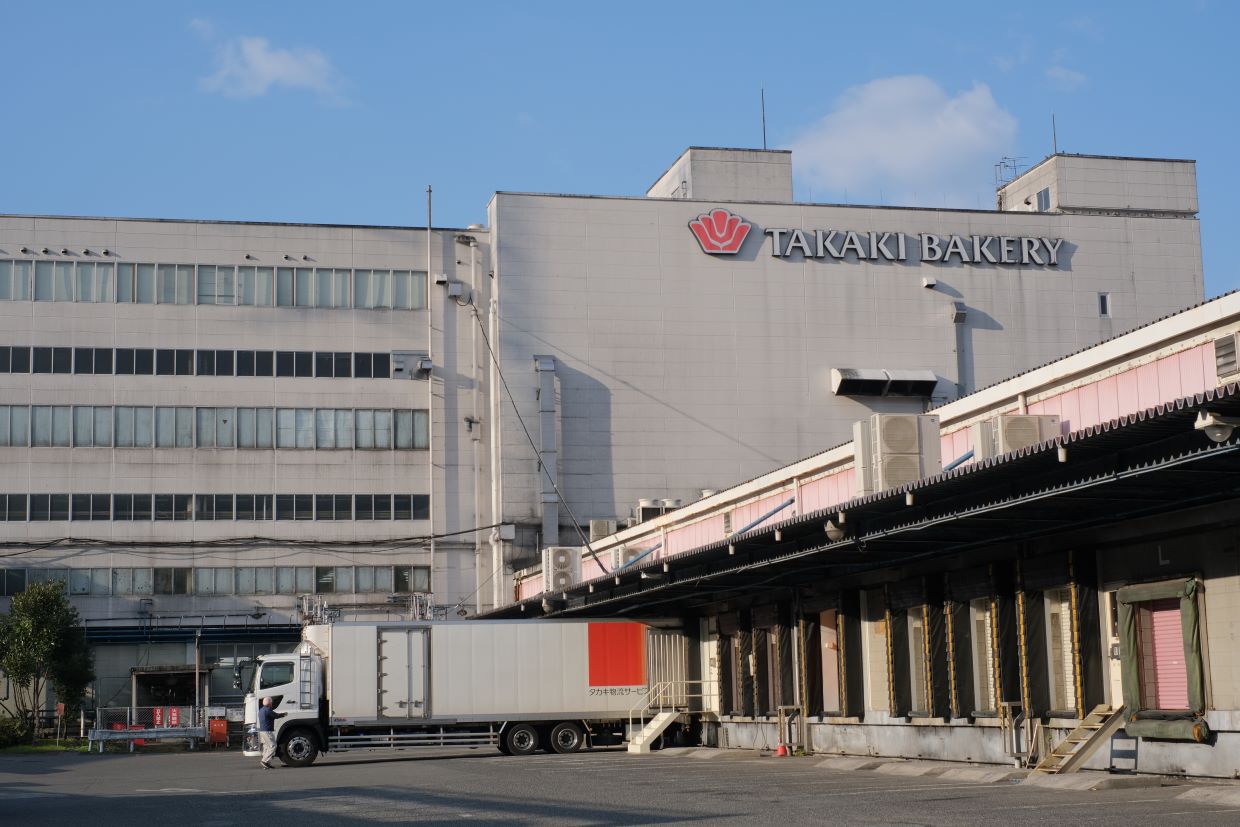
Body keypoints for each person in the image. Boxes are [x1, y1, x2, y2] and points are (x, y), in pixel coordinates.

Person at [257, 696, 285, 769]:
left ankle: (267, 763)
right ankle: (265, 761)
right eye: (271, 702)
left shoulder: (261, 710)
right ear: (269, 703)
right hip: (268, 731)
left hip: (262, 731)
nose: (272, 704)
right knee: (273, 746)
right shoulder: (268, 710)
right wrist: (284, 714)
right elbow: (276, 716)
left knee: (266, 746)